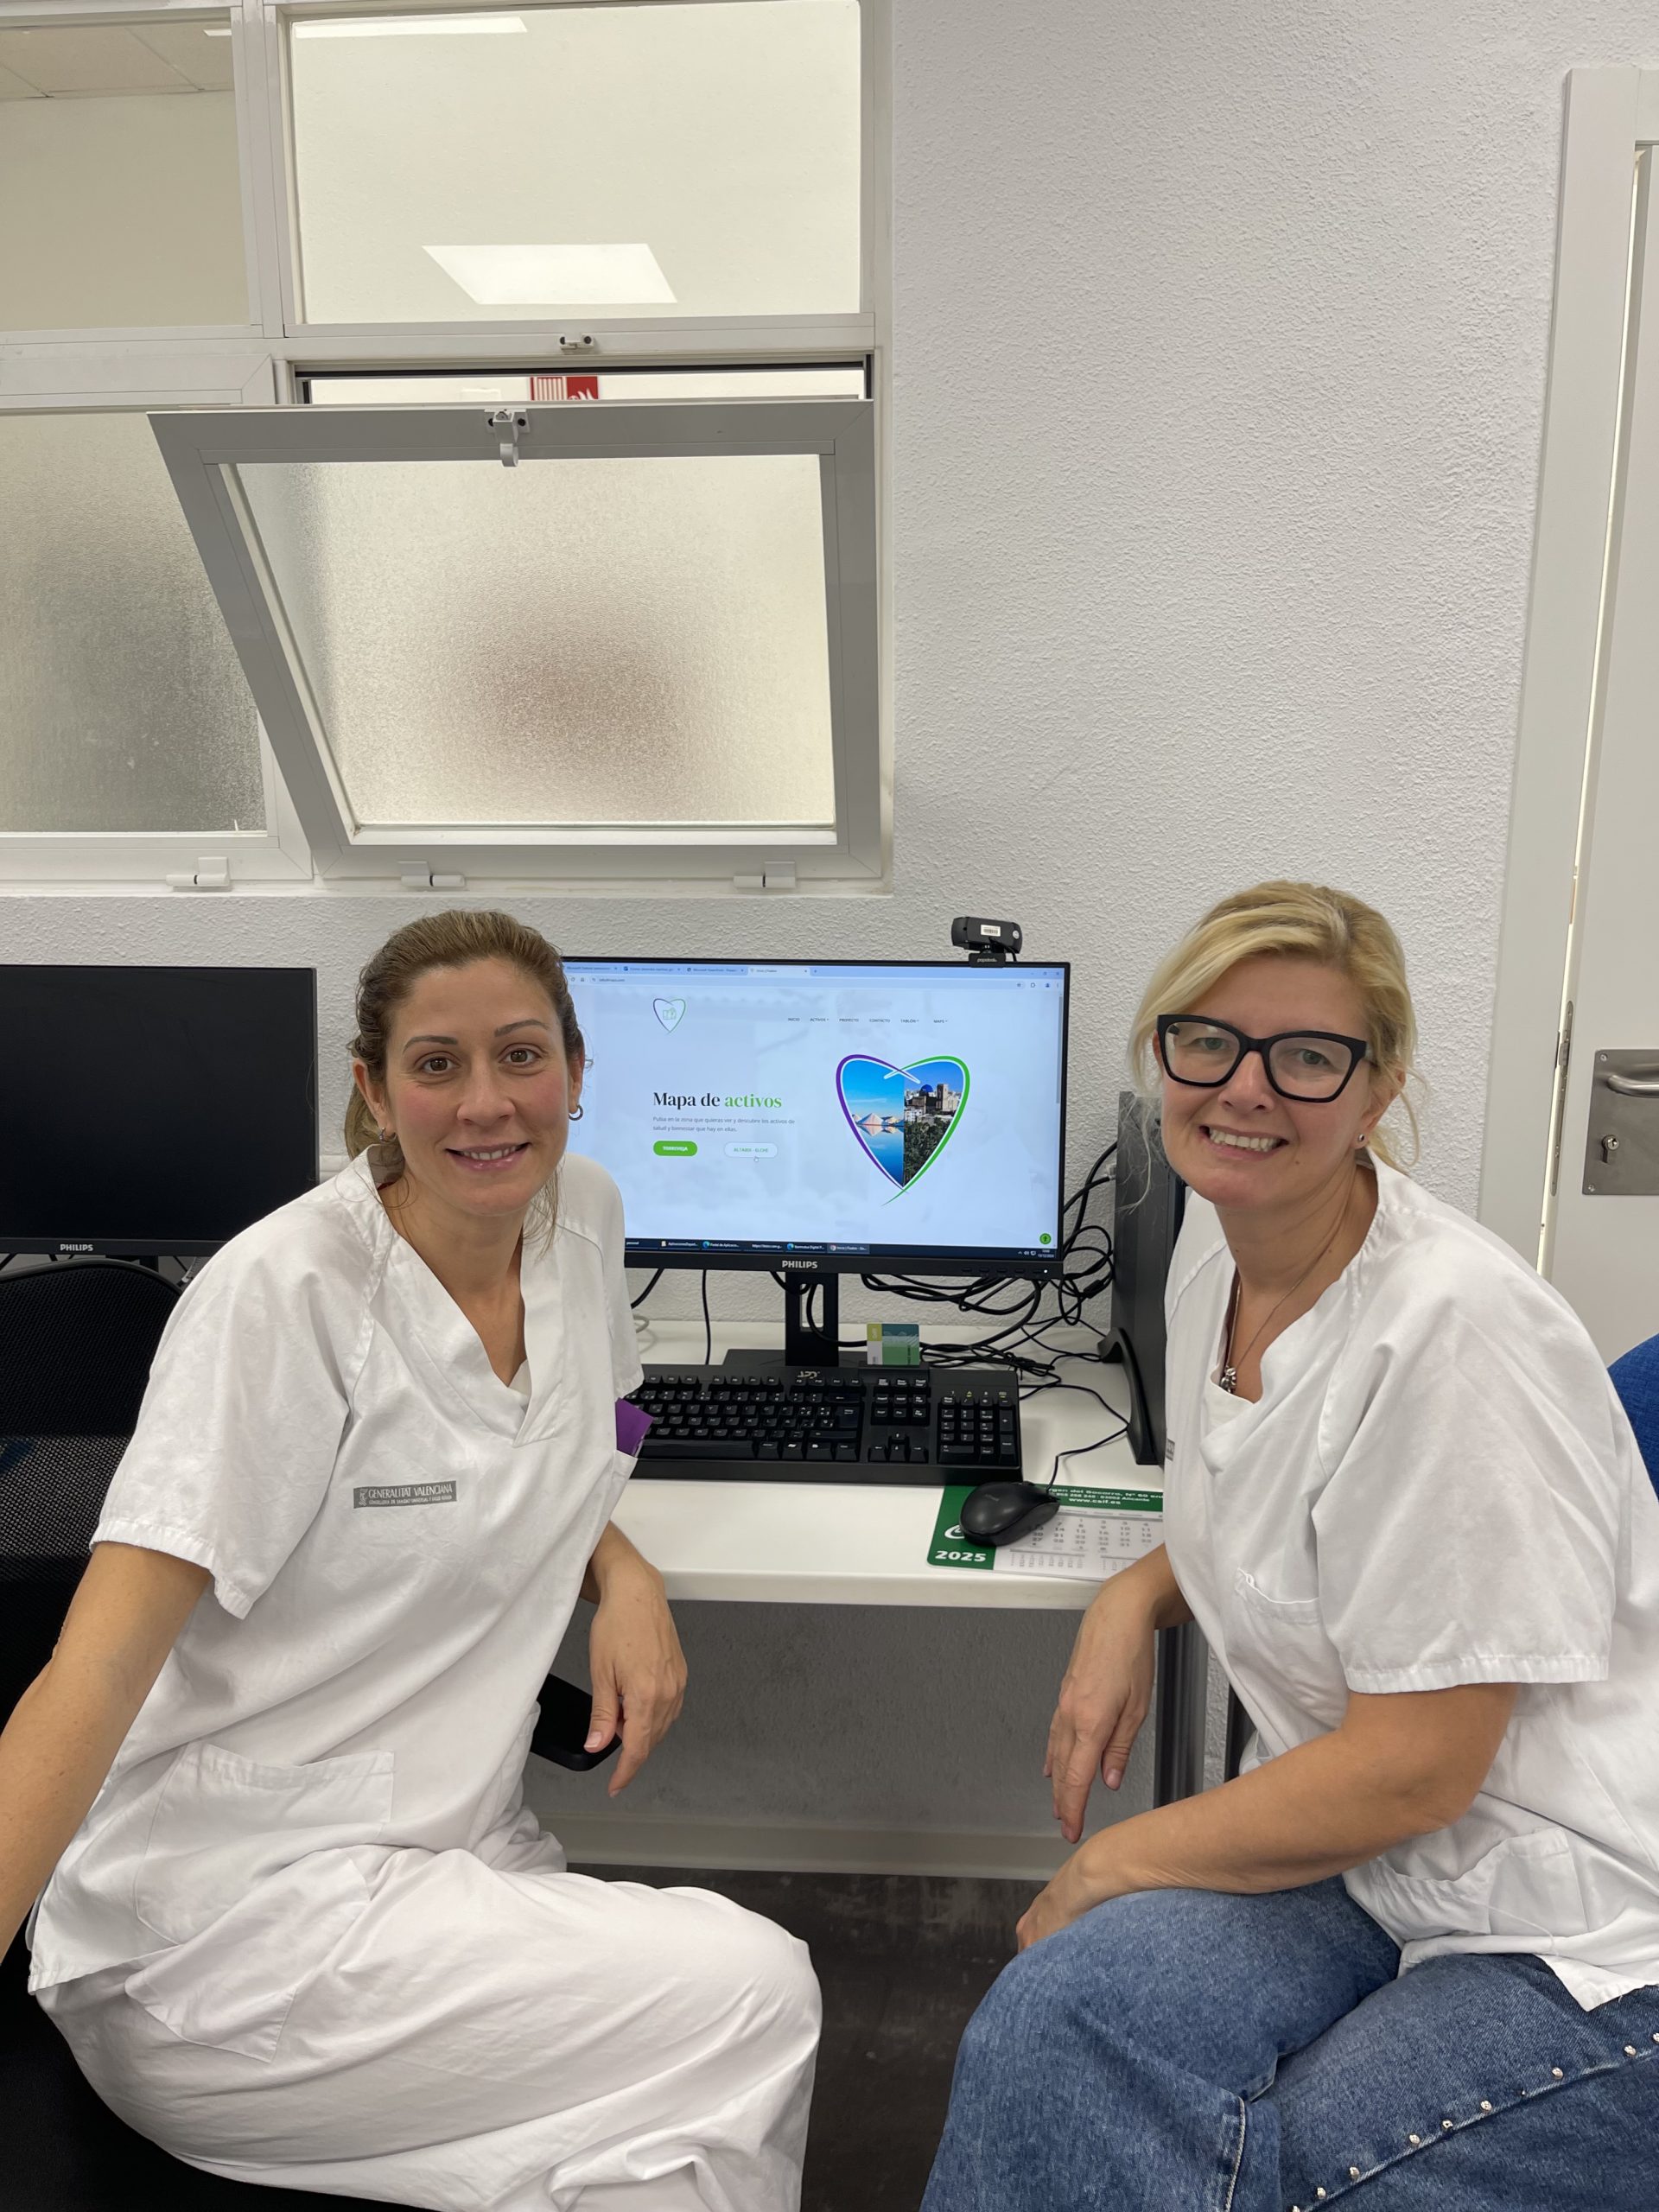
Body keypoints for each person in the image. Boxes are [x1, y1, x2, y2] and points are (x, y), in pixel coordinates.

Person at [1, 910, 819, 2212]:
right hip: (231, 1931)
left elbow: (580, 1434)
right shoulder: (285, 1298)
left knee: (665, 2169)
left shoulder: (586, 1219)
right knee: (758, 1992)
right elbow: (89, 1679)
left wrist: (623, 1570)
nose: (487, 1103)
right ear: (376, 1092)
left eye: (521, 1055)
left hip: (457, 1861)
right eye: (438, 1064)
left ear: (577, 1072)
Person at [923, 880, 1659, 2212]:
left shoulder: (1453, 1334)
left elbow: (1415, 1769)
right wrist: (1135, 1594)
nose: (1244, 1089)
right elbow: (1287, 1501)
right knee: (1054, 2023)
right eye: (1207, 1041)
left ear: (1377, 1091)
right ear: (1162, 1054)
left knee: (1280, 2167)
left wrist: (1110, 1861)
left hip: (1577, 1920)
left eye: (1307, 1056)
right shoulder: (1220, 1248)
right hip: (1374, 1869)